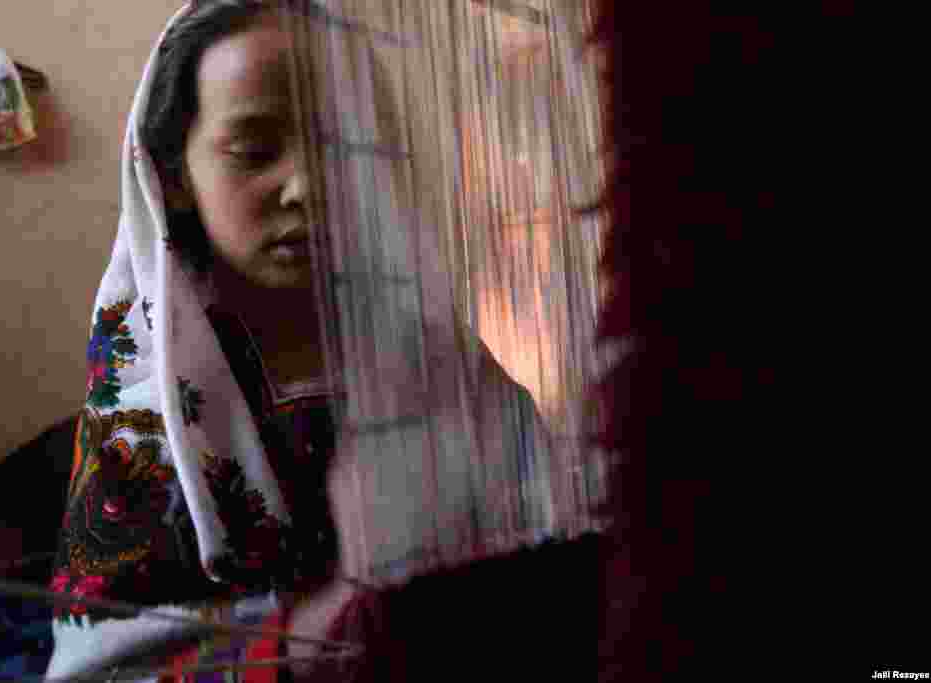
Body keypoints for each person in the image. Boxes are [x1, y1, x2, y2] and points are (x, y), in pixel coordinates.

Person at [47, 2, 562, 679]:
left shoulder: (439, 360)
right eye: (255, 151)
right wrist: (311, 631)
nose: (309, 185)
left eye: (340, 145)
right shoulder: (145, 424)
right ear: (172, 174)